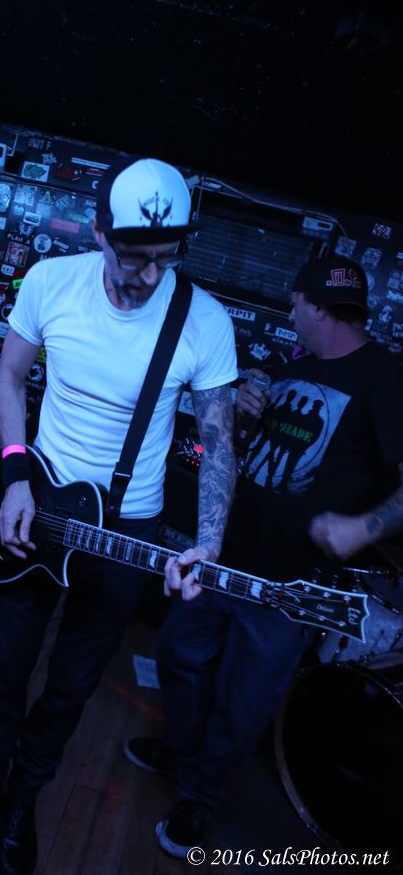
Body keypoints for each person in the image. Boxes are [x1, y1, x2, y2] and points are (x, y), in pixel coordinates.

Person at [0, 157, 238, 874]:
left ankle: (23, 801)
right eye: (133, 257)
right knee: (6, 671)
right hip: (34, 506)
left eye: (165, 258)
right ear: (99, 232)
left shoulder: (204, 322)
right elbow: (10, 376)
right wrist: (14, 475)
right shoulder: (50, 281)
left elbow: (219, 444)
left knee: (70, 687)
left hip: (125, 531)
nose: (148, 276)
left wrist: (210, 543)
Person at [124, 255, 403, 858]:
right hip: (226, 556)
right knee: (177, 653)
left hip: (291, 585)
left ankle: (199, 796)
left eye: (296, 305)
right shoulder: (290, 367)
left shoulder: (382, 377)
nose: (290, 315)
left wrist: (363, 527)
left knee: (243, 696)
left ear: (319, 306)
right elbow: (239, 450)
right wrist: (243, 410)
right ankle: (182, 754)